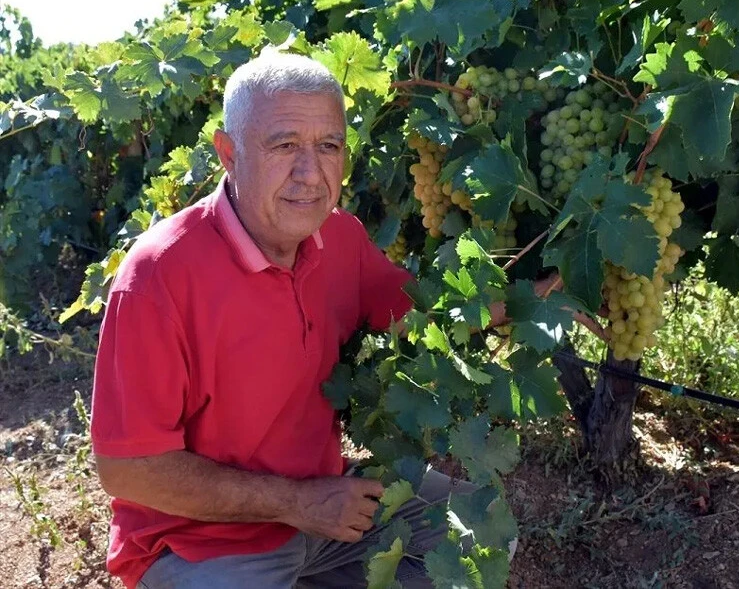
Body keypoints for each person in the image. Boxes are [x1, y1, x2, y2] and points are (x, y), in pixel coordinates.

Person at [91, 52, 486, 589]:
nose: (311, 173)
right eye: (284, 145)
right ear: (228, 154)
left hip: (324, 506)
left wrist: (523, 295)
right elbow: (128, 469)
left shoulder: (339, 237)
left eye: (329, 147)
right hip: (201, 542)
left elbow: (418, 310)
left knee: (479, 528)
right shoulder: (158, 277)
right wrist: (298, 503)